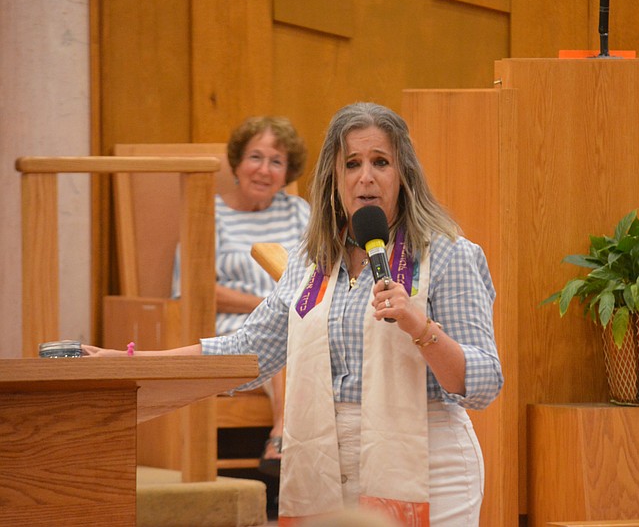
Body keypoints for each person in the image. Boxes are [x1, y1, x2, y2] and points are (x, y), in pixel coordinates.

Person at [86, 102, 503, 526]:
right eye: (352, 164)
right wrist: (132, 364)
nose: (366, 177)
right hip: (328, 472)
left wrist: (420, 326)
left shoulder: (449, 253)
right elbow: (248, 353)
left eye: (381, 162)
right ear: (333, 178)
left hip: (430, 469)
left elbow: (483, 383)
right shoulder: (312, 261)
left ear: (404, 175)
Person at [172, 115, 310, 475]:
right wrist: (266, 306)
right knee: (274, 332)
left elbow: (320, 271)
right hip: (230, 323)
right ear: (237, 162)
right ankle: (283, 434)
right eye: (256, 157)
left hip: (298, 317)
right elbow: (191, 287)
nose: (264, 170)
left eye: (276, 162)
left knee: (290, 331)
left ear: (287, 172)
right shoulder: (208, 214)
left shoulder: (298, 212)